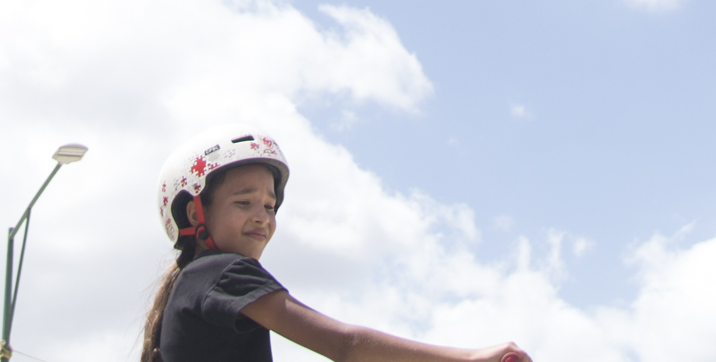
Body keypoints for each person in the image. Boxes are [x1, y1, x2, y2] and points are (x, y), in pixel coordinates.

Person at [141, 134, 531, 362]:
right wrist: (471, 358)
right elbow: (345, 345)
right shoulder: (221, 272)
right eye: (244, 203)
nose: (262, 217)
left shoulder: (191, 285)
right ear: (194, 212)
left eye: (270, 206)